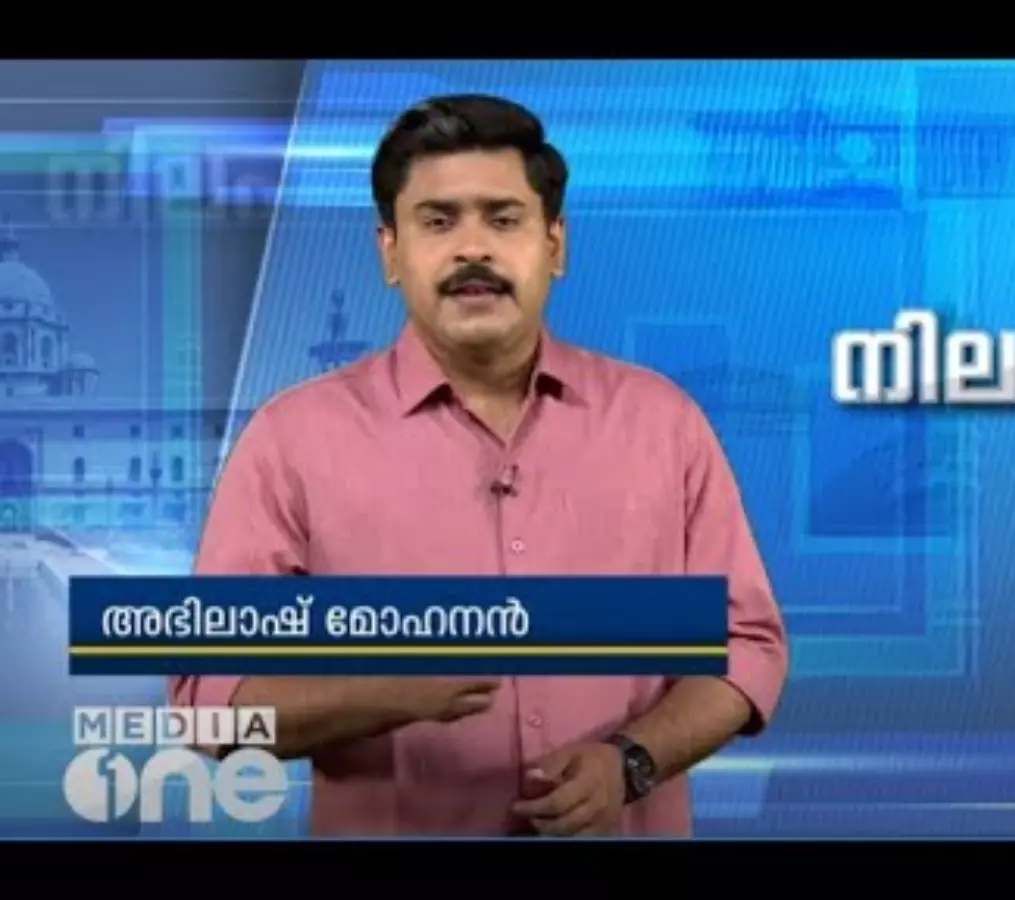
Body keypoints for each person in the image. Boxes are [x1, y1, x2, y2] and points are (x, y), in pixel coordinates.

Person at [169, 94, 789, 837]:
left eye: (503, 219)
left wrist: (631, 762)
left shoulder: (663, 424)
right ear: (390, 252)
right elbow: (207, 701)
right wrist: (384, 688)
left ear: (555, 245)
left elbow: (746, 648)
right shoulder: (291, 441)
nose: (473, 249)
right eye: (438, 222)